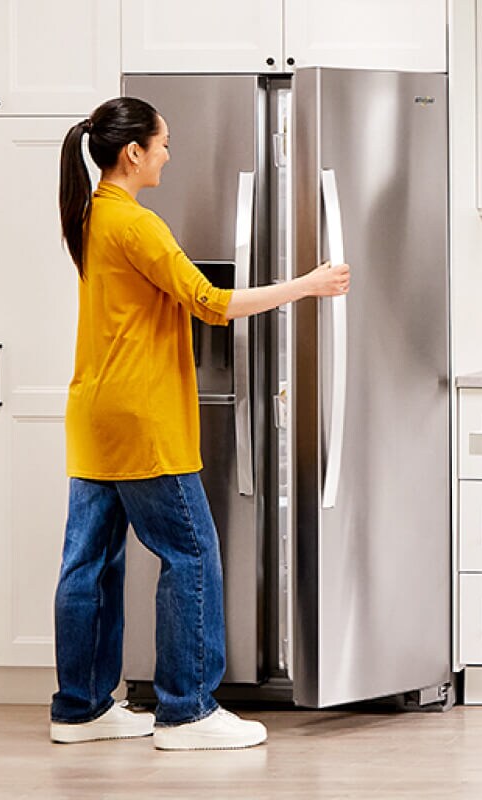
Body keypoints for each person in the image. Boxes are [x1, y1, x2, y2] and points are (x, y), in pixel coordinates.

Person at [48, 97, 348, 750]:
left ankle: (81, 709)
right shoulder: (136, 225)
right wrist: (309, 284)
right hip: (144, 418)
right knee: (192, 554)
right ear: (133, 153)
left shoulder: (90, 213)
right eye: (161, 144)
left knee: (90, 564)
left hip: (95, 412)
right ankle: (187, 713)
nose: (167, 153)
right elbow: (212, 304)